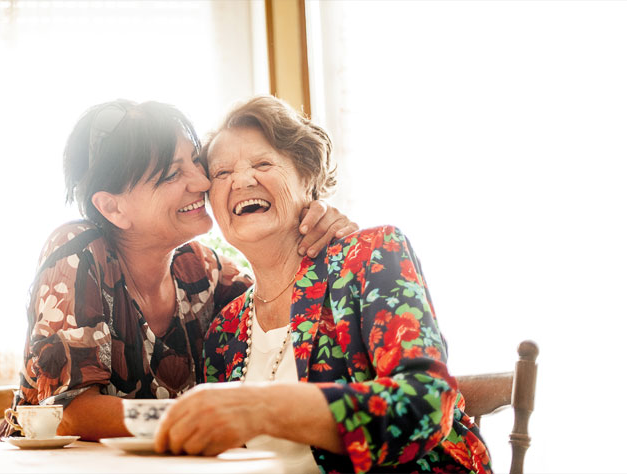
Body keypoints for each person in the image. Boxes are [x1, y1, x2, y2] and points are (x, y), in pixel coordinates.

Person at [153, 95, 492, 473]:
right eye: (221, 174)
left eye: (263, 163)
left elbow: (427, 403)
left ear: (308, 178)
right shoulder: (224, 329)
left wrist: (265, 407)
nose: (243, 180)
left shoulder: (370, 257)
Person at [0, 99, 357, 441]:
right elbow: (71, 411)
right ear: (113, 208)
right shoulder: (78, 251)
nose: (202, 183)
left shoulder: (201, 268)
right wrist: (199, 418)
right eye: (171, 174)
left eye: (196, 163)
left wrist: (313, 220)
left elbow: (278, 297)